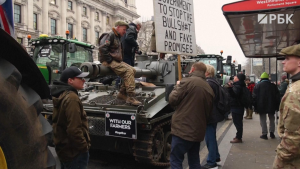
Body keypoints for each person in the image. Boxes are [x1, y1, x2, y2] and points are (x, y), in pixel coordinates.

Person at [169, 62, 214, 169]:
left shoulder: (186, 82)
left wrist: (177, 86)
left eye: (190, 69)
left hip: (182, 129)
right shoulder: (208, 88)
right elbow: (208, 112)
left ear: (193, 69)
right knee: (194, 161)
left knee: (176, 159)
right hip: (197, 131)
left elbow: (172, 100)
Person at [51, 66, 91, 169]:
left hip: (65, 150)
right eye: (80, 78)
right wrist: (84, 148)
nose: (83, 80)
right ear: (70, 80)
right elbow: (74, 129)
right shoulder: (72, 98)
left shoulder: (62, 94)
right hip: (75, 152)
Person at [99, 21, 142, 106]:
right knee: (128, 71)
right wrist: (110, 60)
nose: (125, 32)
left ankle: (122, 93)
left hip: (116, 60)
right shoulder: (110, 35)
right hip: (109, 61)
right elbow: (102, 48)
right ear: (118, 27)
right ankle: (131, 97)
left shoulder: (117, 37)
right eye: (124, 29)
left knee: (132, 70)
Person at [273, 44, 300, 169]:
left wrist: (282, 154)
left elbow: (294, 134)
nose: (283, 62)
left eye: (288, 58)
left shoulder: (295, 90)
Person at [202, 64, 224, 169]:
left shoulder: (209, 83)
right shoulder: (214, 82)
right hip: (214, 114)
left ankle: (211, 163)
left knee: (209, 138)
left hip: (210, 115)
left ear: (207, 72)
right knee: (212, 138)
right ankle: (215, 157)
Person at [252, 72, 280, 140]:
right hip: (272, 105)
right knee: (272, 119)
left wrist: (255, 107)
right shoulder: (273, 86)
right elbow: (277, 97)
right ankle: (272, 133)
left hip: (261, 105)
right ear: (268, 78)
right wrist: (277, 106)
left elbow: (254, 97)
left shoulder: (258, 86)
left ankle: (264, 134)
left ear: (261, 78)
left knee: (263, 120)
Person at [227, 73, 246, 143]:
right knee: (238, 122)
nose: (234, 77)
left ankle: (239, 137)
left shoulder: (238, 86)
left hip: (236, 106)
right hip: (239, 106)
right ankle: (238, 135)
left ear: (238, 79)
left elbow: (234, 95)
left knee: (237, 122)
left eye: (235, 76)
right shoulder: (240, 85)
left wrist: (230, 88)